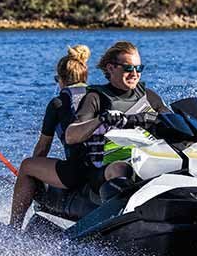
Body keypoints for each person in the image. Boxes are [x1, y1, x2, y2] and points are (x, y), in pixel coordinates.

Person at [8, 44, 92, 228]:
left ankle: (13, 228)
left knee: (27, 165)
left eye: (57, 79)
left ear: (61, 79)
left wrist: (31, 177)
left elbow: (42, 148)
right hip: (101, 168)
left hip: (77, 173)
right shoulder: (98, 96)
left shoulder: (58, 103)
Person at [63, 40, 169, 183]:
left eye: (139, 68)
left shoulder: (149, 96)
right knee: (120, 168)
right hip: (106, 167)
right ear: (111, 68)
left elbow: (173, 120)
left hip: (144, 160)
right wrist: (100, 119)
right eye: (128, 68)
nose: (135, 74)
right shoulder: (96, 98)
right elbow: (70, 136)